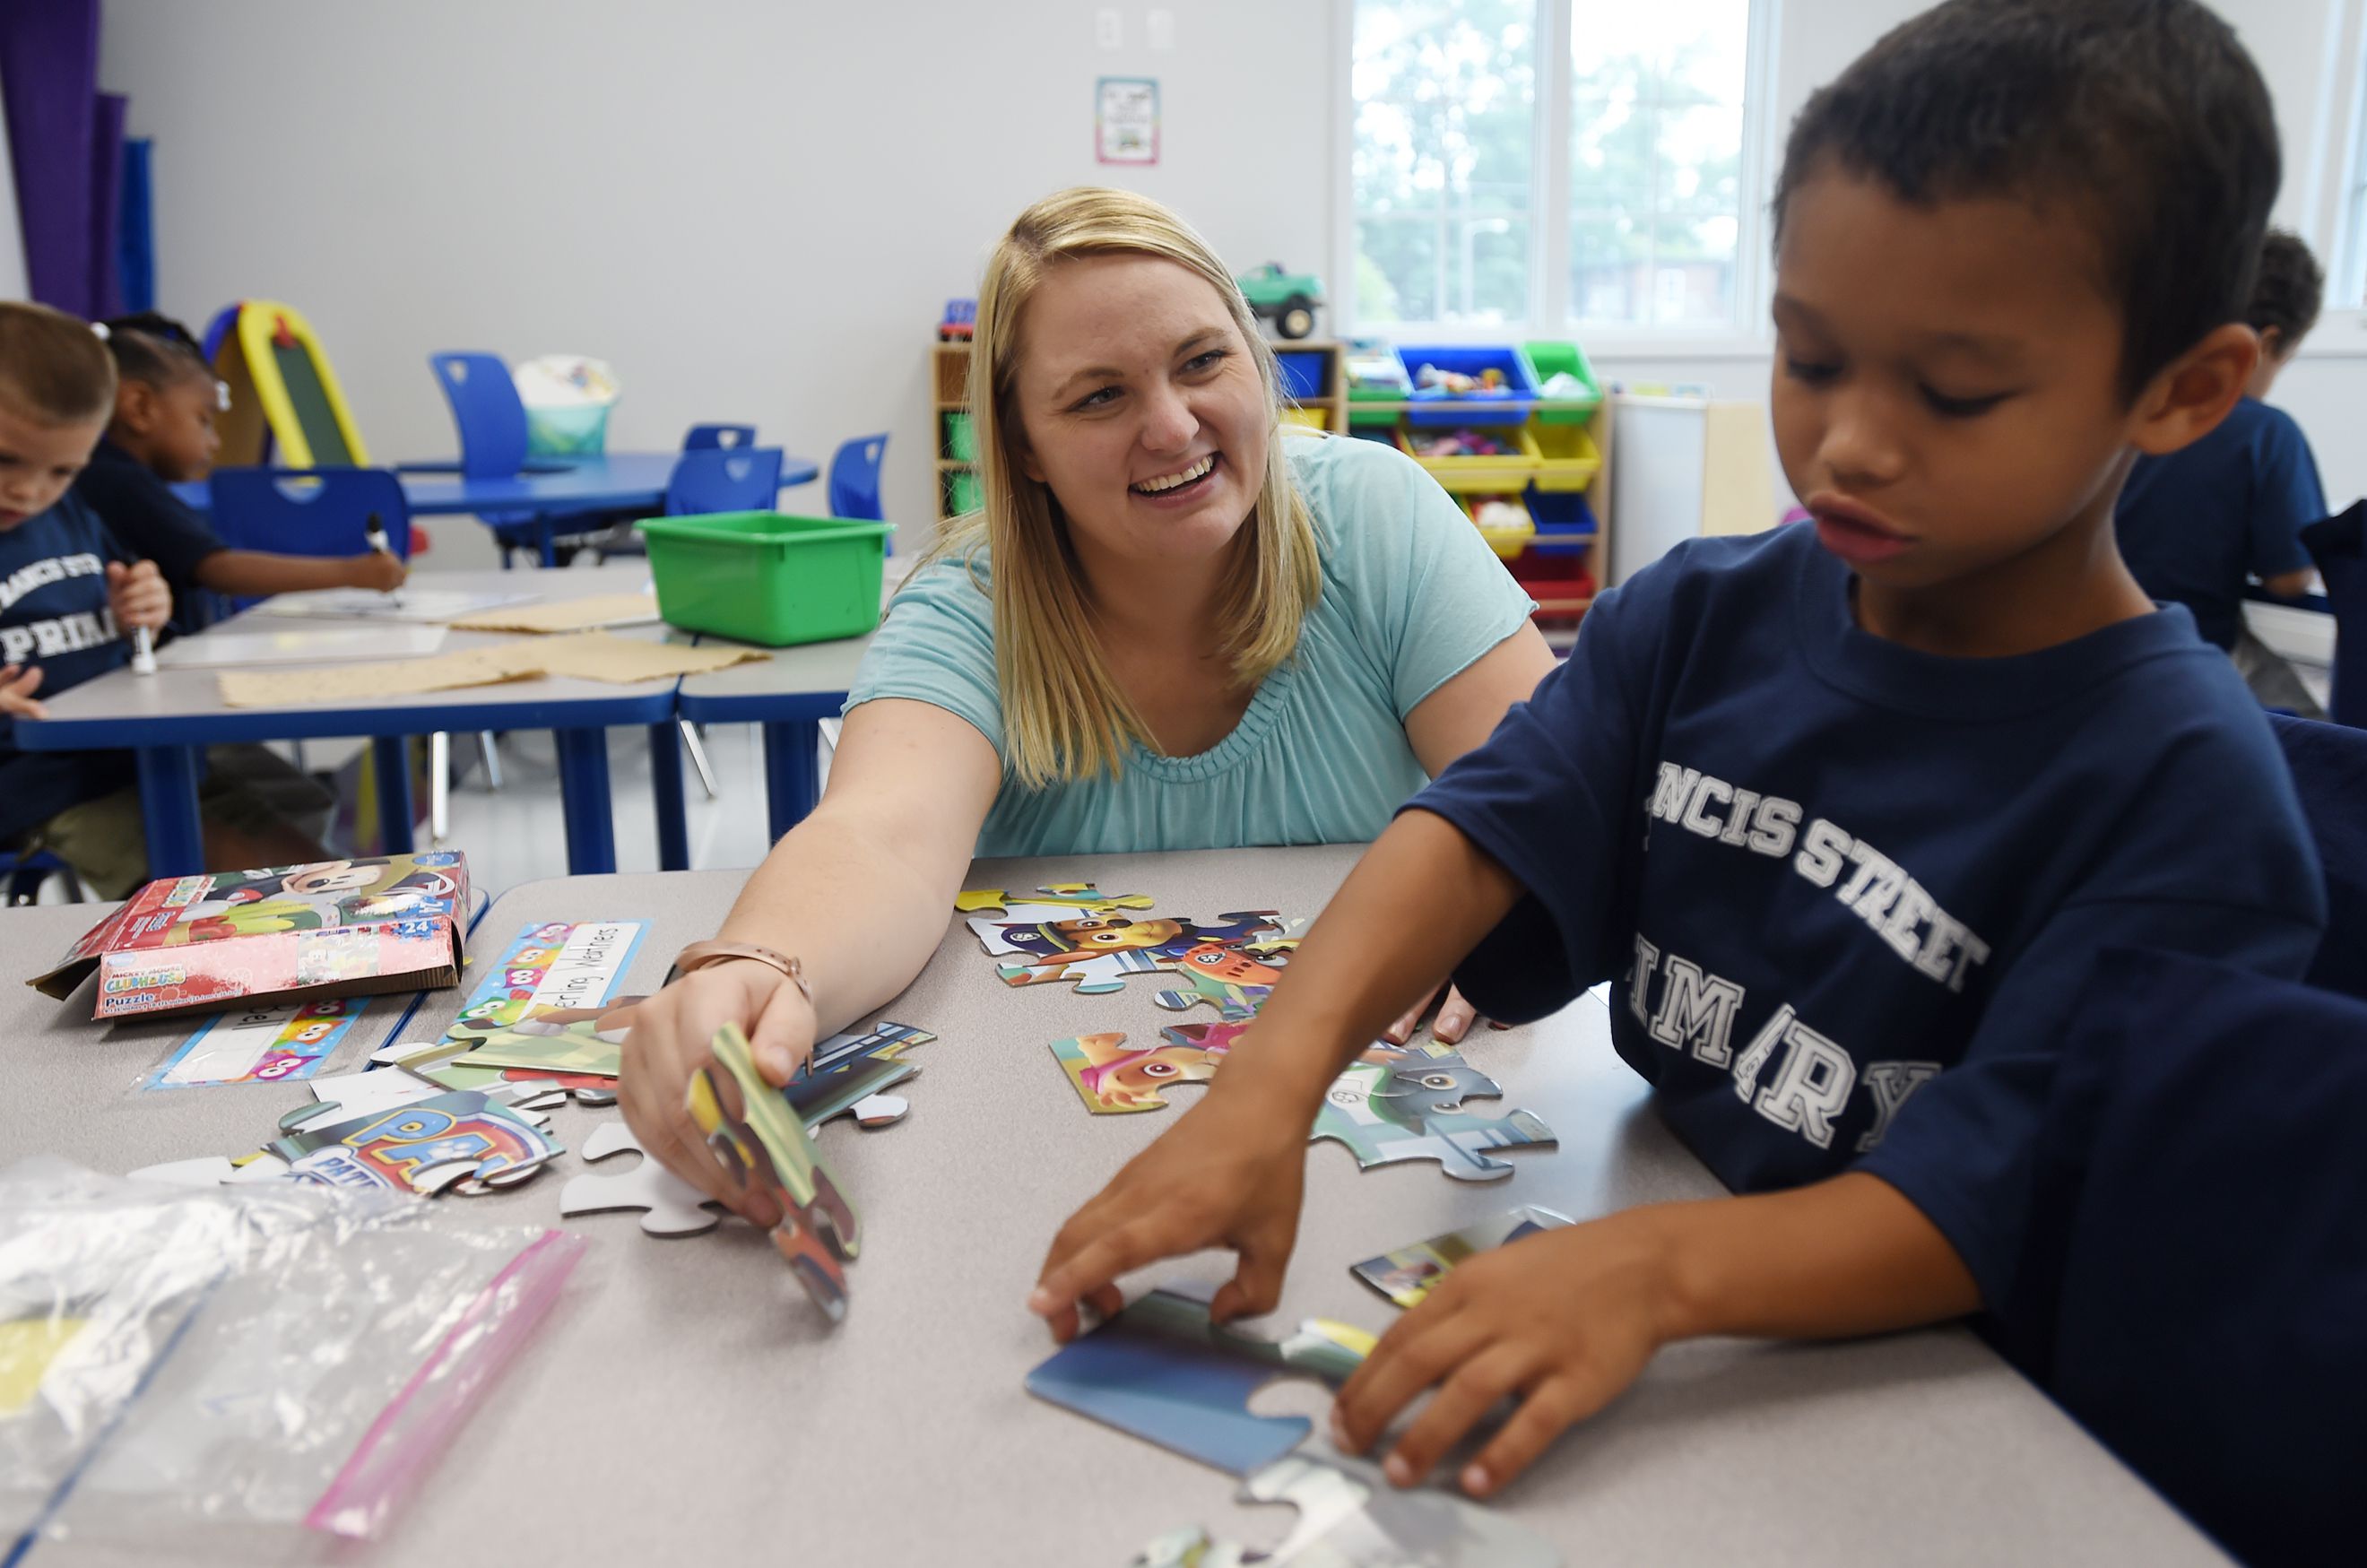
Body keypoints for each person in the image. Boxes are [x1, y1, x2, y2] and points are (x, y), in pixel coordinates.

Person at [1031, 0, 2327, 1501]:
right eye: (1809, 355)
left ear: (2186, 388)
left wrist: (1642, 1273)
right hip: (1674, 1276)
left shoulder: (2189, 793)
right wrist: (1265, 1089)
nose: (1849, 440)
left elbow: (1984, 1206)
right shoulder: (1700, 616)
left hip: (1938, 1415)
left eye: (1955, 389)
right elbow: (1470, 830)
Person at [617, 186, 1559, 1210]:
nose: (1171, 425)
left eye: (1203, 361)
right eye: (1098, 397)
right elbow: (880, 837)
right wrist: (764, 966)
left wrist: (1482, 912)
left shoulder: (1381, 517)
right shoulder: (967, 606)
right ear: (1023, 445)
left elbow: (1541, 800)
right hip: (1031, 1160)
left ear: (1257, 360)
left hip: (1365, 1131)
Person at [0, 301, 336, 896]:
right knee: (237, 887)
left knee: (318, 872)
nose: (30, 490)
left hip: (141, 759)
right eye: (7, 460)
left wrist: (144, 607)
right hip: (44, 784)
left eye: (62, 471)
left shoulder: (69, 512)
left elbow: (126, 598)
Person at [75, 312, 406, 630]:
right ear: (140, 407)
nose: (215, 442)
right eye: (203, 421)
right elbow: (217, 568)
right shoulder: (121, 482)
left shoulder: (115, 475)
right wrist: (352, 572)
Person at [2115, 230, 2330, 716]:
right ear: (2266, 344)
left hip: (2093, 648)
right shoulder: (2267, 434)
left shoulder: (2128, 402)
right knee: (2321, 726)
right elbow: (2290, 580)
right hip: (2185, 652)